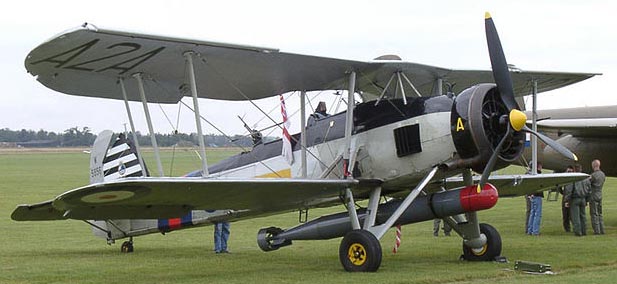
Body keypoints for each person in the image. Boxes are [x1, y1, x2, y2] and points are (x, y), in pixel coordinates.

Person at [564, 164, 591, 236]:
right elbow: (589, 190)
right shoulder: (586, 178)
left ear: (574, 170)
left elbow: (569, 190)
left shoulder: (573, 177)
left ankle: (578, 232)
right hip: (583, 198)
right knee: (583, 216)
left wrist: (566, 200)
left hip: (575, 199)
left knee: (575, 216)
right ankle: (584, 230)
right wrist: (587, 200)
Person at [589, 159, 606, 235]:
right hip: (600, 194)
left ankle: (597, 231)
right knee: (600, 213)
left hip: (593, 195)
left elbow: (588, 184)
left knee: (594, 213)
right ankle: (602, 229)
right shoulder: (603, 174)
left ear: (593, 166)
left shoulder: (593, 175)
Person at [525, 162, 543, 235]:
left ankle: (530, 230)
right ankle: (535, 231)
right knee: (537, 214)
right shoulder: (537, 175)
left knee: (532, 213)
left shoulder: (528, 174)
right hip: (537, 195)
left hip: (531, 195)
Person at [558, 165, 574, 232]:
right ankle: (568, 228)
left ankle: (568, 228)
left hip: (568, 197)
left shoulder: (565, 176)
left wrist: (563, 193)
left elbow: (559, 186)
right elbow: (559, 186)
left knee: (569, 214)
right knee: (566, 214)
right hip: (568, 197)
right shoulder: (571, 177)